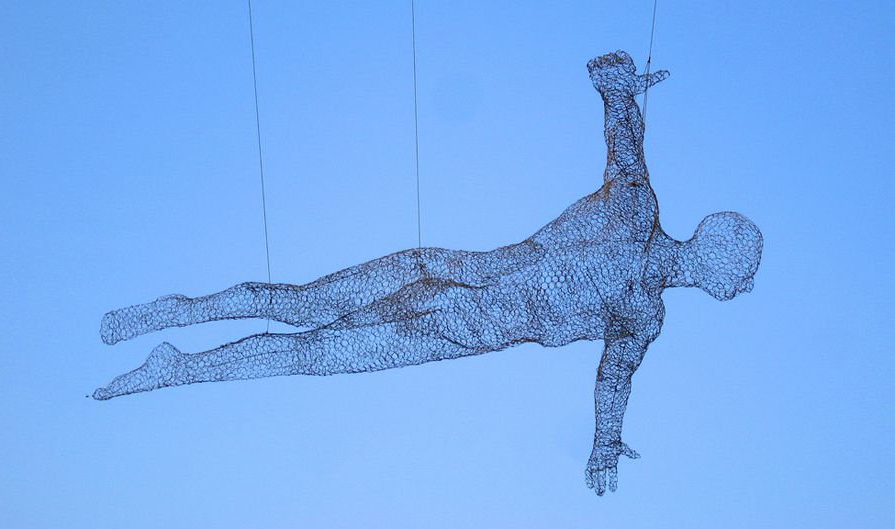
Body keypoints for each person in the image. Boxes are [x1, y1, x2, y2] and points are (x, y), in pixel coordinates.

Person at [94, 51, 763, 496]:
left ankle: (175, 330)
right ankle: (177, 355)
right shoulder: (641, 295)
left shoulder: (638, 238)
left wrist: (617, 83)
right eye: (742, 273)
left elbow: (621, 127)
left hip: (440, 272)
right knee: (308, 343)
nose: (741, 288)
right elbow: (611, 379)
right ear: (718, 257)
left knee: (301, 310)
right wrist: (605, 445)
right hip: (457, 321)